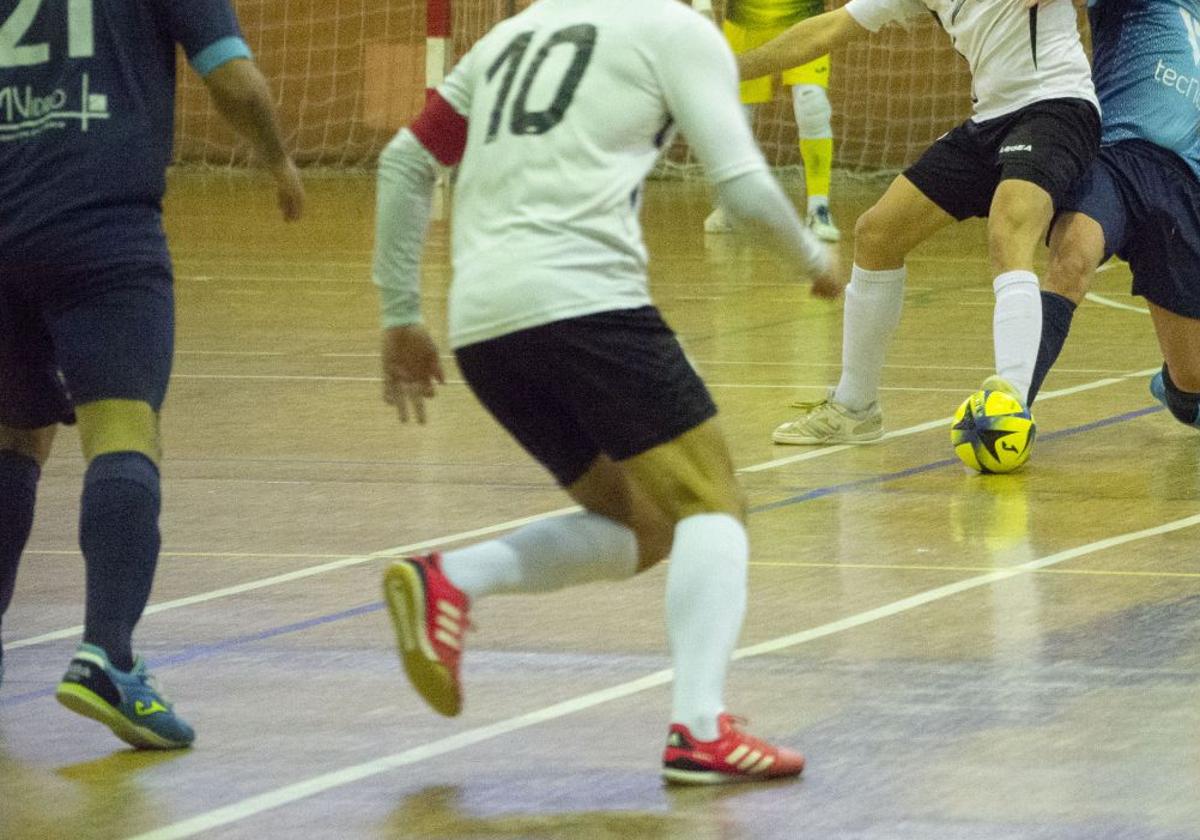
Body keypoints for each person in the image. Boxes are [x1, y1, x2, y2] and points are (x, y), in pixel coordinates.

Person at [372, 0, 836, 784]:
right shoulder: (678, 31)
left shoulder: (509, 37)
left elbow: (404, 162)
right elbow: (742, 186)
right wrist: (814, 260)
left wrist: (399, 314)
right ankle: (699, 728)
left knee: (646, 522)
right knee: (712, 503)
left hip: (483, 323)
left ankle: (452, 579)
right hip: (587, 302)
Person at [0, 0, 303, 749]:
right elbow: (235, 81)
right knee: (122, 428)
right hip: (102, 230)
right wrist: (279, 160)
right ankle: (108, 655)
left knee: (14, 436)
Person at [737, 0, 1101, 447]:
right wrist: (732, 67)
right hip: (989, 119)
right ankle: (855, 408)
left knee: (1009, 228)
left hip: (1057, 108)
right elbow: (827, 30)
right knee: (877, 234)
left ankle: (1010, 415)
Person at [1025, 0, 1200, 429]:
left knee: (1191, 383)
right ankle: (1010, 402)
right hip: (1117, 157)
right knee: (1072, 259)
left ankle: (1178, 388)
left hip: (1184, 185)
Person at [696, 0, 842, 242]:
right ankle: (732, 205)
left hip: (803, 14)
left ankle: (819, 208)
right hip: (746, 18)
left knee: (812, 103)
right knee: (736, 113)